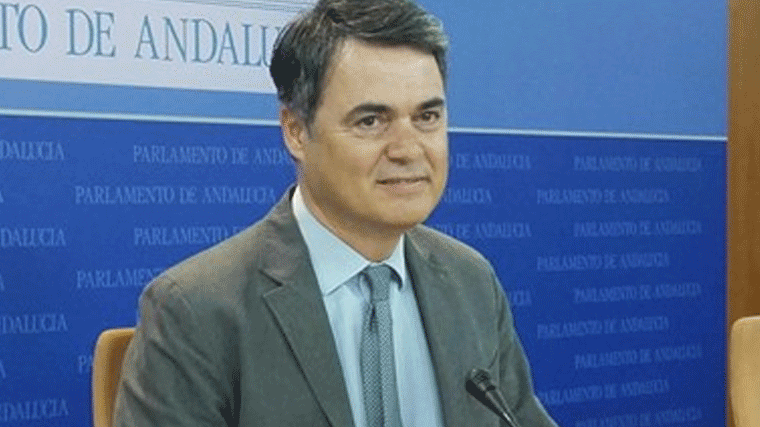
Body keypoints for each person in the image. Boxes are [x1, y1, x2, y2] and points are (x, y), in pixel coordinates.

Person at [113, 0, 558, 426]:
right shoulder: (196, 310)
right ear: (296, 131)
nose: (408, 150)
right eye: (371, 121)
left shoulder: (471, 281)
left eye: (427, 117)